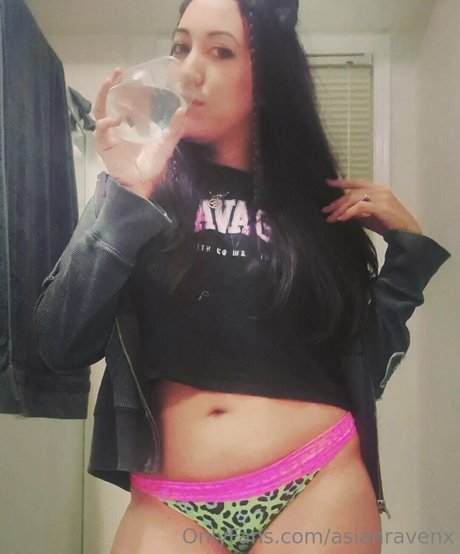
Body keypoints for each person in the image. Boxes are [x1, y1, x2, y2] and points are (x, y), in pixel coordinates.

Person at [33, 0, 451, 552]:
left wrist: (407, 260)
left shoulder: (316, 213)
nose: (189, 70)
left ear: (268, 76)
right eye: (181, 46)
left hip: (317, 481)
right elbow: (58, 344)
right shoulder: (138, 188)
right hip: (167, 498)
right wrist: (126, 201)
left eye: (220, 51)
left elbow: (363, 372)